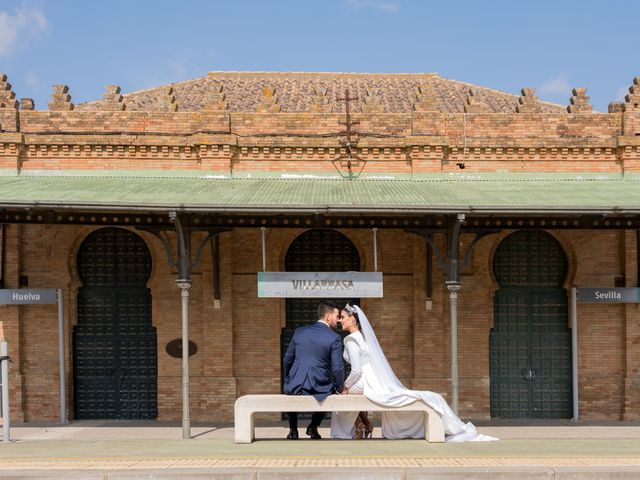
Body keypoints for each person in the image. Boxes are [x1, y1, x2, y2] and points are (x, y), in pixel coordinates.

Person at [330, 304, 498, 442]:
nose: (339, 320)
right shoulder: (362, 337)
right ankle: (360, 427)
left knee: (339, 397)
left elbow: (357, 370)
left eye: (342, 317)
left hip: (364, 382)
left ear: (353, 319)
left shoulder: (351, 340)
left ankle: (343, 433)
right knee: (344, 398)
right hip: (371, 380)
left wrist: (345, 386)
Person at [283, 301, 345, 440]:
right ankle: (313, 426)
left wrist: (288, 376)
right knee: (330, 392)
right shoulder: (334, 337)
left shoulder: (299, 332)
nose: (338, 319)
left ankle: (293, 430)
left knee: (290, 392)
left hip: (295, 383)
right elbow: (337, 369)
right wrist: (339, 387)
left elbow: (287, 359)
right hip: (318, 384)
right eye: (337, 316)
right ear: (328, 316)